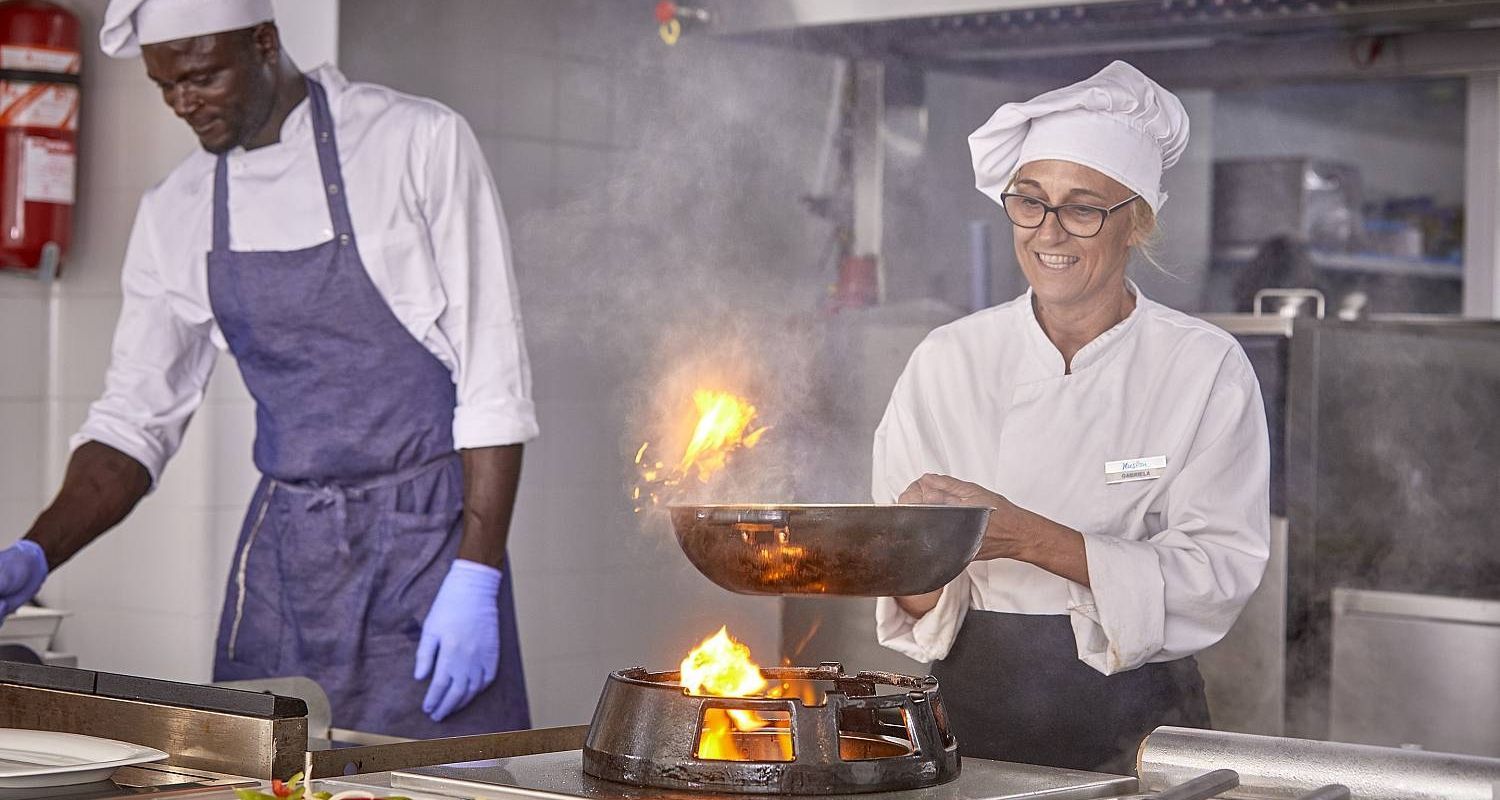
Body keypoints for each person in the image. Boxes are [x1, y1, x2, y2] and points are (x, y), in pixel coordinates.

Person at [0, 0, 537, 738]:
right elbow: (134, 425)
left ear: (264, 41)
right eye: (165, 87)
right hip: (288, 562)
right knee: (260, 778)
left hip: (427, 548)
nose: (184, 105)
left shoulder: (416, 143)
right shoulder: (177, 209)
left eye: (202, 77)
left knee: (436, 780)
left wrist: (476, 574)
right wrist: (37, 552)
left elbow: (492, 379)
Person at [873, 61, 1270, 775]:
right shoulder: (947, 360)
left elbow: (1216, 574)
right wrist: (909, 552)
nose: (1048, 231)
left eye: (1082, 207)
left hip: (1136, 720)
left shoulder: (1203, 368)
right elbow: (910, 595)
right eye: (1030, 201)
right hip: (967, 711)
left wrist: (1027, 537)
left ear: (1135, 223)